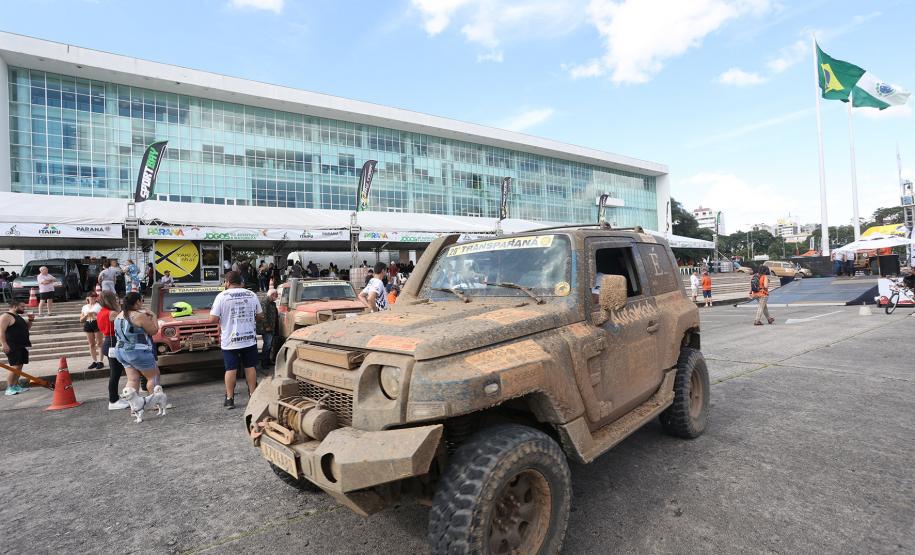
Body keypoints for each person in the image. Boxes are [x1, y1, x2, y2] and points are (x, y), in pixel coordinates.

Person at [209, 271, 263, 409]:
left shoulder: (221, 296)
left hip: (230, 341)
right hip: (249, 338)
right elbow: (260, 315)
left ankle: (229, 398)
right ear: (241, 281)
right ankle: (253, 395)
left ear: (227, 282)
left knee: (230, 369)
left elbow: (213, 319)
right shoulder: (251, 294)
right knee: (250, 367)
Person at [113, 292, 160, 397]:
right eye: (141, 300)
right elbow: (153, 331)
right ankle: (156, 403)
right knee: (154, 377)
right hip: (137, 351)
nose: (142, 303)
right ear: (137, 302)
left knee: (132, 379)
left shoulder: (119, 315)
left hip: (120, 351)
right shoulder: (139, 316)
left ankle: (134, 408)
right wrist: (154, 317)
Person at [97, 291, 129, 410]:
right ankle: (113, 400)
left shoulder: (101, 312)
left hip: (108, 341)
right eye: (115, 298)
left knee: (114, 372)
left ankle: (115, 398)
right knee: (115, 373)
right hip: (113, 342)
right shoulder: (112, 313)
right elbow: (126, 322)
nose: (117, 300)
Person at [1, 300, 33, 396]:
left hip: (22, 345)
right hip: (13, 345)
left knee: (19, 365)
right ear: (15, 306)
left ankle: (15, 385)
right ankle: (9, 387)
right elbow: (1, 331)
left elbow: (26, 328)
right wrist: (4, 344)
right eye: (22, 307)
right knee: (15, 366)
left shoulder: (18, 317)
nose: (24, 309)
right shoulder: (6, 316)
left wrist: (30, 321)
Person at [79, 293, 104, 369]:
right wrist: (86, 315)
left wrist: (95, 314)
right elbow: (81, 319)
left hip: (96, 322)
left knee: (99, 343)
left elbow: (102, 316)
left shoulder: (99, 306)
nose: (93, 298)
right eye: (91, 297)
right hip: (88, 323)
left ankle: (100, 361)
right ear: (88, 298)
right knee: (91, 344)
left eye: (94, 297)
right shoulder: (85, 307)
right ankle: (94, 361)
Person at [257, 288, 279, 372]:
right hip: (265, 328)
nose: (277, 297)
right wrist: (267, 326)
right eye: (276, 295)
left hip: (270, 328)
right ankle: (264, 363)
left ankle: (267, 361)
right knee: (267, 345)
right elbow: (263, 315)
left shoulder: (272, 303)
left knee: (269, 345)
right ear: (272, 294)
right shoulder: (264, 301)